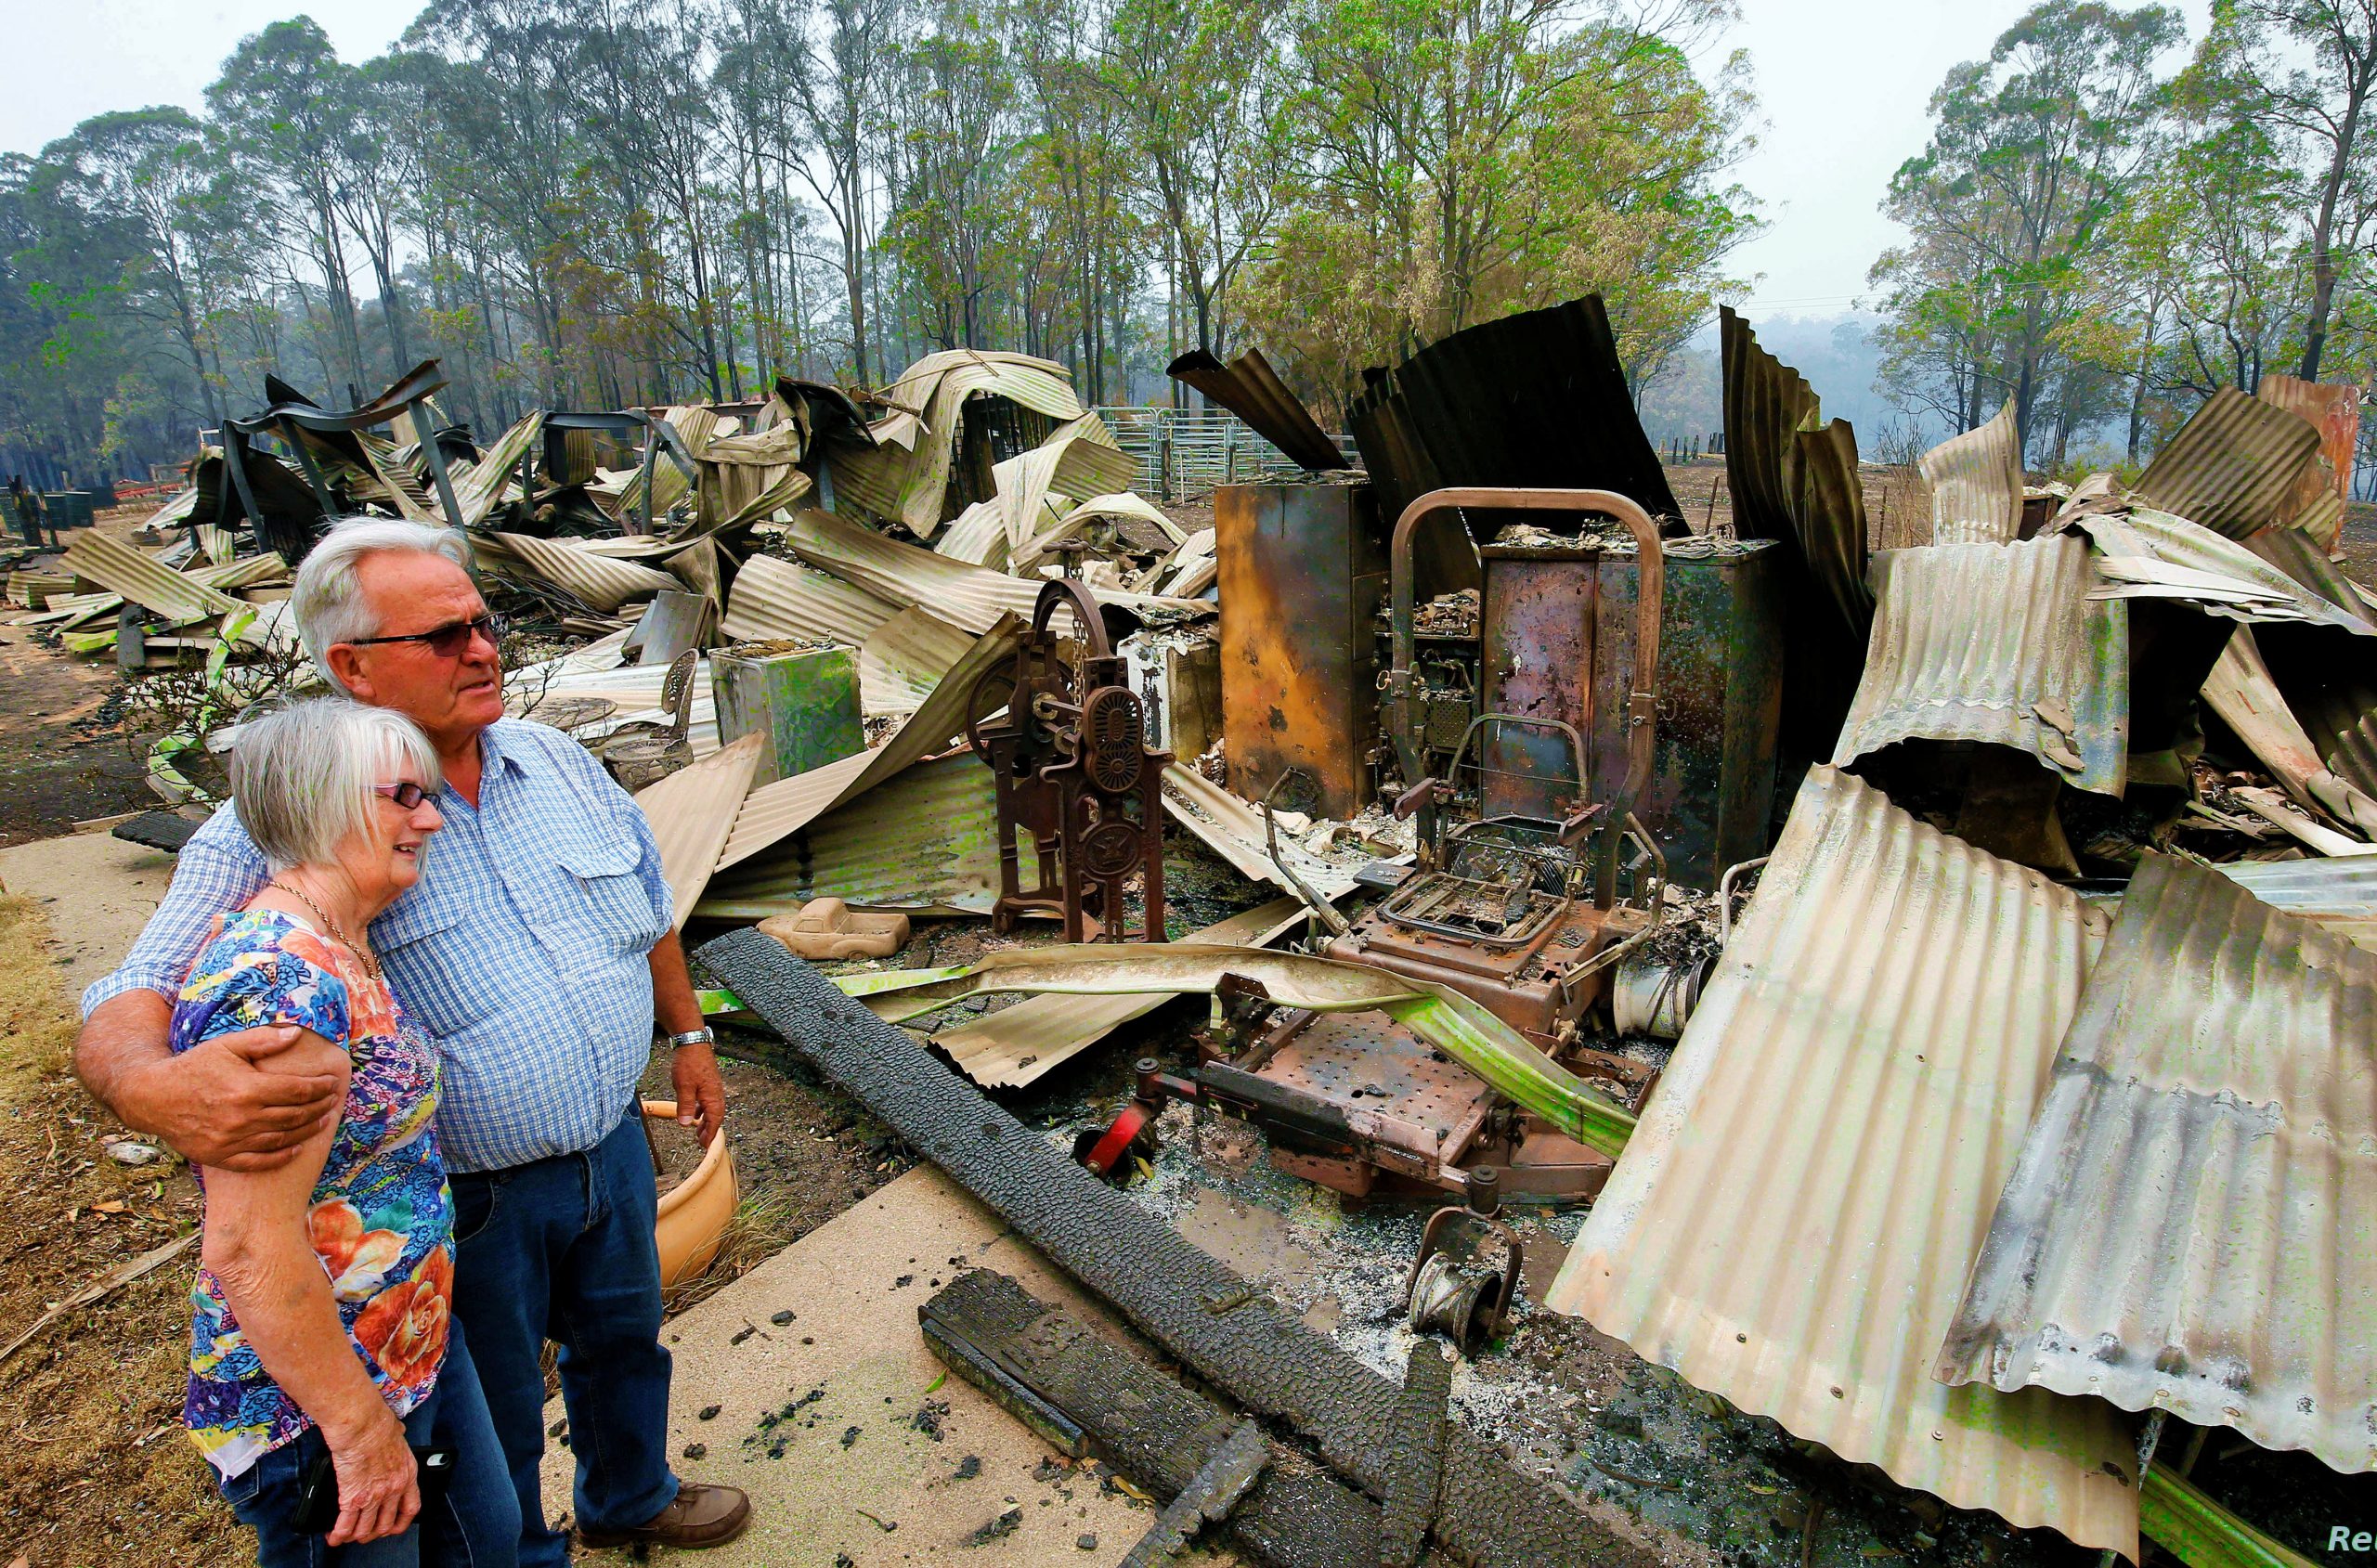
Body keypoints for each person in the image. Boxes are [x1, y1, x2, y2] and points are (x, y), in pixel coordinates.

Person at [77, 518, 751, 1561]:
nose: (483, 649)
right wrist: (143, 1086)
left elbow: (650, 906)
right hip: (470, 1194)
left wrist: (691, 1033)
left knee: (624, 1344)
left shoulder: (559, 762)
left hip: (610, 1142)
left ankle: (632, 1494)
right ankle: (523, 1550)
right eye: (443, 637)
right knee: (493, 1425)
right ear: (351, 666)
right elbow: (138, 986)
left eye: (482, 624)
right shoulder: (290, 817)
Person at [175, 696, 517, 1566]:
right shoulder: (280, 985)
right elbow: (249, 1245)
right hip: (322, 1404)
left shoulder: (343, 939)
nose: (432, 816)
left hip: (409, 1340)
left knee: (489, 1539)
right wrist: (358, 1430)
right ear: (323, 799)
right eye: (405, 794)